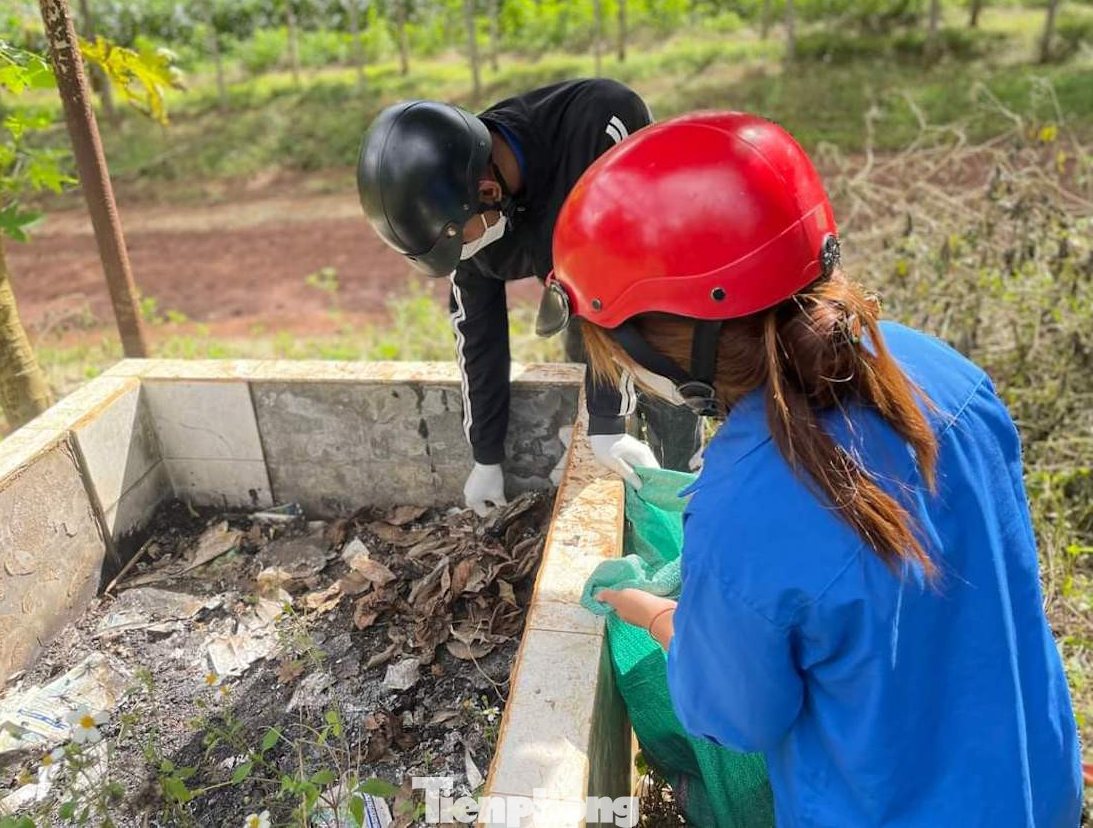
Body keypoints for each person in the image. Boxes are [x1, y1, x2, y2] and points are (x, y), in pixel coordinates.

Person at [539, 111, 1082, 825]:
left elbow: (737, 719)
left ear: (677, 346)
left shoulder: (742, 507)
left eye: (618, 350)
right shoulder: (940, 371)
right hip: (1036, 789)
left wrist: (659, 614)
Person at [356, 79, 701, 516]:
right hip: (580, 290)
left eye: (458, 245)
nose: (462, 256)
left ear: (488, 193)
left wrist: (608, 422)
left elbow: (622, 277)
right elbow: (478, 337)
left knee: (665, 378)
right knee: (580, 339)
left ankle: (687, 482)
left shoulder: (598, 125)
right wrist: (486, 456)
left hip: (661, 275)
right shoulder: (463, 208)